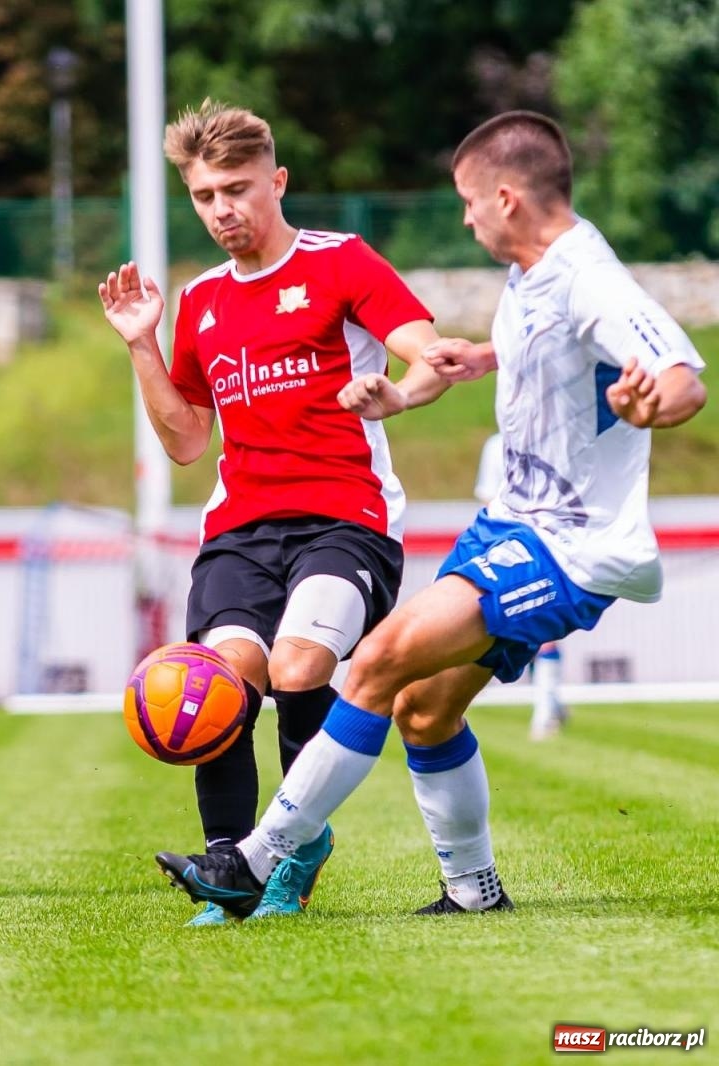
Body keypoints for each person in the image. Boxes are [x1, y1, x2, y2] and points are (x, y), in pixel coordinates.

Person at [163, 110, 706, 918]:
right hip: (513, 526)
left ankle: (257, 856)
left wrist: (653, 400)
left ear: (508, 197)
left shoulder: (590, 278)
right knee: (424, 708)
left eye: (468, 201)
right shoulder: (532, 276)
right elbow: (520, 355)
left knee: (378, 661)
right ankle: (474, 892)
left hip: (568, 545)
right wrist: (454, 370)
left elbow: (682, 374)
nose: (463, 217)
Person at [100, 99, 447, 924]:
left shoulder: (343, 263)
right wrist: (143, 343)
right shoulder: (203, 299)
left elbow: (432, 353)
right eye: (203, 195)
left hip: (345, 518)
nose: (223, 209)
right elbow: (186, 441)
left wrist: (395, 393)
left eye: (237, 188)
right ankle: (228, 869)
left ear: (278, 181)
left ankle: (289, 850)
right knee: (213, 686)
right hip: (241, 531)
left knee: (297, 668)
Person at [477, 432, 568, 739]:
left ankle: (545, 710)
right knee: (531, 629)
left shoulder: (557, 440)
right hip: (511, 548)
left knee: (543, 631)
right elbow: (490, 501)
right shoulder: (498, 445)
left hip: (549, 546)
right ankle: (549, 704)